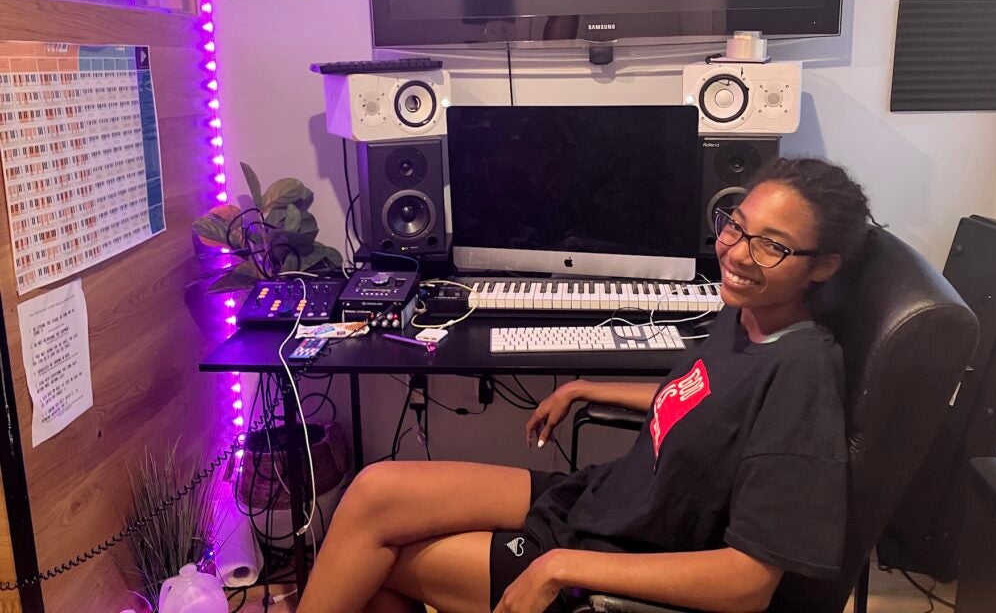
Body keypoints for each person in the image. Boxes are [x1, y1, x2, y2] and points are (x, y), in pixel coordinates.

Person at [296, 156, 873, 613]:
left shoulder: (802, 374)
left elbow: (748, 582)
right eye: (736, 228)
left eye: (771, 245)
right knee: (373, 492)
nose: (737, 254)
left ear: (823, 266)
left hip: (616, 549)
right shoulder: (748, 315)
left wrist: (559, 567)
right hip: (597, 500)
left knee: (370, 561)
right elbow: (708, 401)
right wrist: (585, 386)